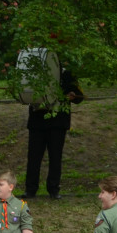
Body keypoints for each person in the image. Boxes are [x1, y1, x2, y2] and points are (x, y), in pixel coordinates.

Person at [25, 66, 84, 199]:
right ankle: (30, 189)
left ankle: (53, 189)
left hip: (58, 123)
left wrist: (72, 96)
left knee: (55, 158)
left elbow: (79, 97)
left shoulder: (67, 74)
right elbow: (27, 93)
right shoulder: (36, 72)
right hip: (37, 122)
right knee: (33, 158)